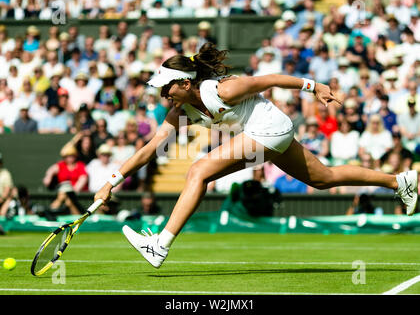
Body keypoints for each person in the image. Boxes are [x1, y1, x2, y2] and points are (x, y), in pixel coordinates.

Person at [94, 43, 418, 269]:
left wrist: (315, 85)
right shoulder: (181, 110)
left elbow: (271, 79)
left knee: (198, 171)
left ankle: (160, 244)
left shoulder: (223, 90)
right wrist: (112, 180)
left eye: (166, 87)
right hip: (268, 134)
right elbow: (151, 148)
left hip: (270, 129)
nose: (162, 93)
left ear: (184, 82)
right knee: (324, 178)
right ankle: (400, 182)